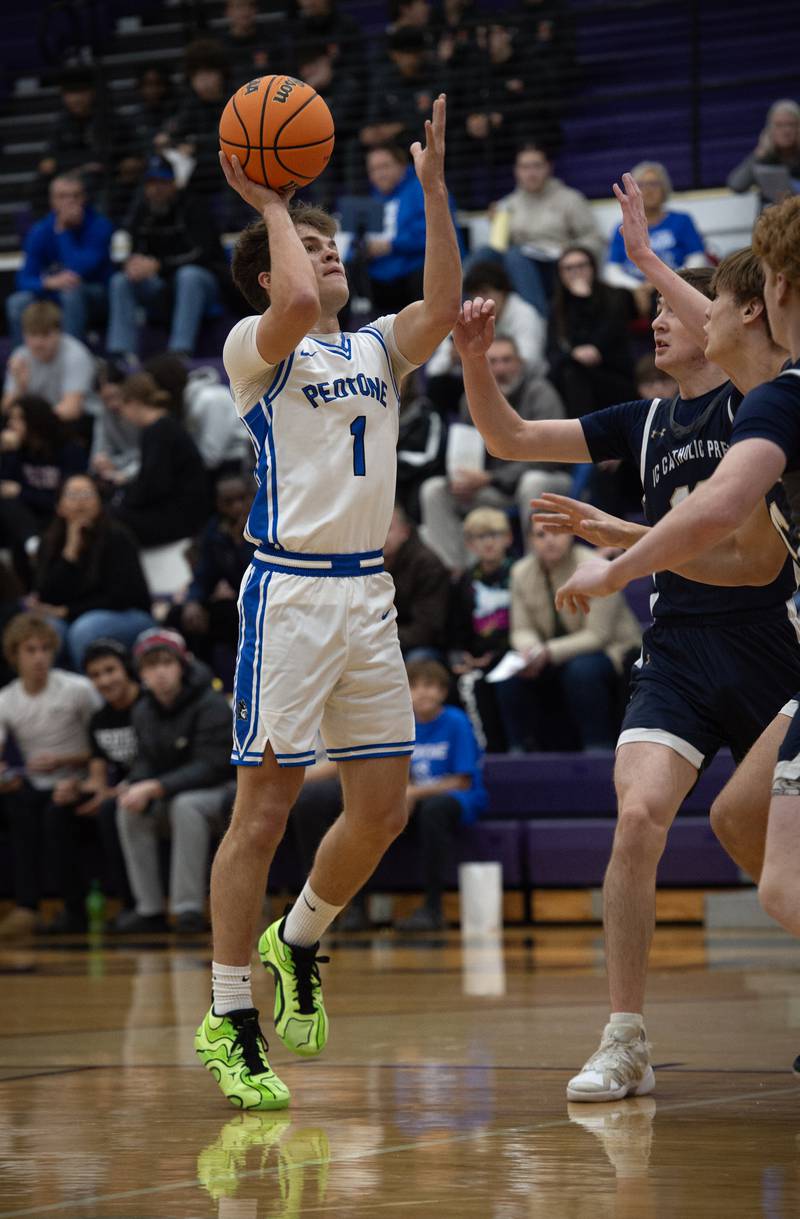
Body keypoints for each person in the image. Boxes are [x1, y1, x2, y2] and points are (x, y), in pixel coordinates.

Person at [453, 232, 800, 1101]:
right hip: (679, 647)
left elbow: (751, 563)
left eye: (677, 308)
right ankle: (625, 1035)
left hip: (770, 644)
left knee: (758, 843)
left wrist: (624, 548)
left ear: (728, 316)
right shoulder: (645, 423)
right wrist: (474, 361)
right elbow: (507, 435)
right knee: (638, 814)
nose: (659, 322)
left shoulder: (762, 401)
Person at [195, 94, 461, 1111]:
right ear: (267, 275)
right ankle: (228, 1016)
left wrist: (433, 193)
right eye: (308, 247)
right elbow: (300, 301)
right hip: (292, 595)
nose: (327, 251)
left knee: (382, 809)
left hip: (366, 595)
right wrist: (271, 201)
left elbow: (441, 305)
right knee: (261, 812)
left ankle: (297, 938)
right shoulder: (255, 347)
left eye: (331, 240)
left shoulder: (376, 348)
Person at [552, 195, 800, 968]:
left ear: (772, 294)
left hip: (763, 639)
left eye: (711, 301)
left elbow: (721, 509)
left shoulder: (780, 398)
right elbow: (729, 334)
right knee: (740, 821)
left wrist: (619, 565)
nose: (692, 316)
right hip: (712, 649)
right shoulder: (776, 381)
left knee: (783, 882)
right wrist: (647, 260)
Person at [115, 628, 234, 934]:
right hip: (172, 790)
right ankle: (149, 909)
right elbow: (145, 759)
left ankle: (187, 909)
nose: (160, 673)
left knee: (186, 806)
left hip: (223, 792)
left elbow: (213, 766)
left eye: (167, 663)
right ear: (141, 674)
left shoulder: (210, 703)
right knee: (128, 808)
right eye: (151, 666)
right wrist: (135, 782)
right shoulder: (143, 709)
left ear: (182, 666)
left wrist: (156, 786)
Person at [420, 334, 570, 571]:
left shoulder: (540, 393)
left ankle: (534, 572)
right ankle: (456, 575)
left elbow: (550, 456)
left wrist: (491, 478)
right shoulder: (472, 397)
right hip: (494, 488)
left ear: (520, 363)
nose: (500, 369)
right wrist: (462, 479)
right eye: (493, 361)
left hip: (546, 480)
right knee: (434, 490)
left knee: (533, 482)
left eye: (507, 360)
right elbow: (466, 450)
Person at [0, 613, 100, 939]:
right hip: (34, 785)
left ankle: (73, 910)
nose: (39, 657)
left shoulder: (78, 689)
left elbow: (104, 746)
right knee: (17, 805)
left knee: (56, 814)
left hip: (80, 780)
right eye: (30, 650)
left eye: (45, 649)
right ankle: (27, 907)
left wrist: (62, 761)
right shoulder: (6, 700)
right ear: (14, 655)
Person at [509, 515, 641, 750]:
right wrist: (530, 650)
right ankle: (519, 753)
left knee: (581, 671)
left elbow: (598, 635)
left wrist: (547, 651)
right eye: (541, 534)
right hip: (554, 652)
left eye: (557, 532)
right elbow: (521, 629)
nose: (550, 540)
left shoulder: (596, 566)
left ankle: (598, 746)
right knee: (512, 675)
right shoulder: (520, 572)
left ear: (571, 534)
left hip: (614, 650)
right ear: (529, 540)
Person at [53, 639, 142, 925]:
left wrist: (112, 793)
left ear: (126, 669)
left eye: (110, 670)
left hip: (151, 786)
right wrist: (75, 788)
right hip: (121, 790)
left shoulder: (148, 705)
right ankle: (74, 909)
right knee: (59, 809)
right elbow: (97, 778)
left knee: (108, 810)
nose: (104, 680)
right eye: (95, 675)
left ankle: (132, 905)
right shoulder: (100, 719)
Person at [393, 658, 487, 930]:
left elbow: (461, 781)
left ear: (444, 692)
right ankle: (355, 909)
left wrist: (413, 792)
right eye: (414, 686)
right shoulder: (401, 724)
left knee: (435, 809)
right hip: (418, 799)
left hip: (460, 798)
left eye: (430, 685)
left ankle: (433, 908)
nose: (422, 692)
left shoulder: (456, 721)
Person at [106, 156, 226, 360]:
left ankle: (180, 352)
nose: (156, 189)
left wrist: (159, 266)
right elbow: (124, 242)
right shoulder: (141, 210)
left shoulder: (194, 205)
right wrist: (131, 264)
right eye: (151, 183)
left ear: (173, 184)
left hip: (204, 285)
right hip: (161, 285)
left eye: (162, 182)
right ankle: (121, 354)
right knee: (121, 280)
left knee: (189, 275)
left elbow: (203, 254)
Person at [469, 144, 604, 317]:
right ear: (516, 171)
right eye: (525, 167)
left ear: (548, 168)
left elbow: (593, 238)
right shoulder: (508, 204)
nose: (531, 173)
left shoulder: (569, 199)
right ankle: (457, 314)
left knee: (515, 255)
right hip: (519, 264)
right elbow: (500, 247)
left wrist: (570, 253)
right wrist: (497, 225)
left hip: (556, 265)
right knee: (485, 252)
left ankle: (539, 318)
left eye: (536, 166)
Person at [32, 474, 154, 667]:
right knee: (44, 632)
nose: (80, 501)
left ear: (99, 502)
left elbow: (123, 596)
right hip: (73, 616)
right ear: (59, 506)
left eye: (87, 494)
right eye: (73, 495)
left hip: (127, 614)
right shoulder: (49, 542)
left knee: (84, 630)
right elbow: (47, 595)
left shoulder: (117, 537)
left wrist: (68, 611)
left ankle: (91, 686)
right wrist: (70, 552)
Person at [446, 506, 525, 752]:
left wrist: (495, 655)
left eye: (495, 534)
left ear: (508, 538)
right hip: (478, 658)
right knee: (467, 682)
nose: (488, 542)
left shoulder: (521, 572)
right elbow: (457, 628)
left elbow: (527, 625)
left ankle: (518, 747)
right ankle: (486, 753)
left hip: (514, 652)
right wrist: (462, 655)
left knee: (505, 678)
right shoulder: (465, 581)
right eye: (480, 537)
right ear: (469, 544)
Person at [5, 174, 113, 348]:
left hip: (95, 295)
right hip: (54, 292)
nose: (69, 201)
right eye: (62, 196)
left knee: (71, 291)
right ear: (52, 201)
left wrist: (63, 231)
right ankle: (24, 357)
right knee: (17, 302)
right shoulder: (40, 231)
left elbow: (77, 269)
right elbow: (23, 279)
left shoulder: (100, 226)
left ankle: (72, 354)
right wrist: (48, 283)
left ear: (84, 198)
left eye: (75, 195)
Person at [171, 476, 255, 685]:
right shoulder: (215, 532)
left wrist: (242, 543)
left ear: (252, 497)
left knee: (233, 618)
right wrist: (193, 601)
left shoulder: (267, 526)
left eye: (242, 499)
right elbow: (204, 575)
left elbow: (257, 574)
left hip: (265, 600)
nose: (237, 507)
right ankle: (201, 681)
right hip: (237, 602)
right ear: (218, 504)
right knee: (184, 617)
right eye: (229, 502)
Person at [114, 372, 209, 547]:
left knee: (111, 518)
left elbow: (155, 483)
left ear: (133, 403)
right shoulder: (165, 425)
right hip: (182, 510)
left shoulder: (159, 431)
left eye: (122, 409)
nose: (124, 416)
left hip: (181, 517)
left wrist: (125, 499)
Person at [0, 395, 87, 585]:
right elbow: (5, 486)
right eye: (10, 418)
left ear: (35, 420)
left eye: (18, 418)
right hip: (24, 518)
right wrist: (8, 452)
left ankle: (33, 544)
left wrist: (22, 493)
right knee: (7, 506)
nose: (11, 424)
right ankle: (32, 543)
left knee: (20, 526)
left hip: (56, 514)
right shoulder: (18, 449)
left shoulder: (69, 450)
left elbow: (65, 499)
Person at [604, 162, 706, 316]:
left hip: (672, 284)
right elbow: (612, 271)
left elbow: (697, 259)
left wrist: (660, 282)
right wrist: (637, 287)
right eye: (641, 185)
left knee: (659, 297)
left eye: (654, 184)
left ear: (664, 188)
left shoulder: (682, 221)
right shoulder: (623, 226)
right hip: (633, 290)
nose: (648, 190)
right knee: (615, 300)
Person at [547, 246, 636, 416]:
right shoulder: (557, 307)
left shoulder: (616, 296)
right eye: (568, 268)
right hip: (575, 374)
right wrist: (573, 354)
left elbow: (608, 336)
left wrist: (583, 301)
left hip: (612, 369)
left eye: (581, 266)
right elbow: (552, 351)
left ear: (593, 268)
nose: (576, 273)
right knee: (569, 373)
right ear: (560, 274)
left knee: (575, 374)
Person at [3, 301, 97, 425]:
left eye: (45, 335)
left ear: (59, 332)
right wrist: (20, 388)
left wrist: (28, 421)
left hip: (78, 423)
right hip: (41, 422)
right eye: (33, 334)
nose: (38, 343)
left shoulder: (76, 355)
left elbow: (71, 410)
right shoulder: (20, 356)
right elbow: (5, 409)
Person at [383, 502, 450, 660]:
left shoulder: (428, 565)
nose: (380, 536)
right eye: (376, 530)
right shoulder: (366, 564)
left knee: (417, 660)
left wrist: (379, 640)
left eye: (388, 529)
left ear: (405, 532)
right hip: (383, 640)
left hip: (424, 645)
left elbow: (427, 629)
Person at [727, 99, 800, 202]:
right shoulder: (765, 157)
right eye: (779, 125)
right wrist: (760, 154)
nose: (786, 131)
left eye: (791, 124)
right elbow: (736, 185)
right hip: (770, 210)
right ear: (770, 130)